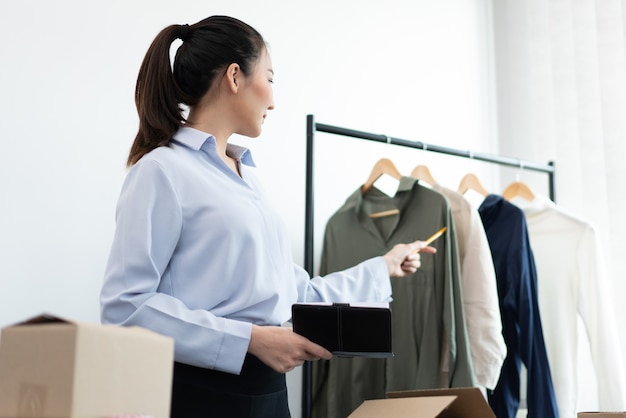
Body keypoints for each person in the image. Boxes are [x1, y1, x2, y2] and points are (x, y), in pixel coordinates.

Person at [99, 15, 436, 418]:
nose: (274, 100)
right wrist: (249, 340)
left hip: (270, 394)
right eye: (270, 78)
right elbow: (124, 307)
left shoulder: (248, 178)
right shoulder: (161, 171)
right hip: (201, 396)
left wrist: (383, 267)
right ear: (235, 77)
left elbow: (295, 296)